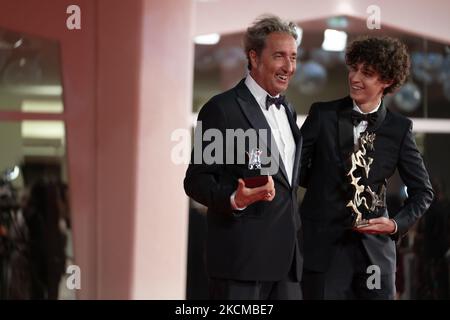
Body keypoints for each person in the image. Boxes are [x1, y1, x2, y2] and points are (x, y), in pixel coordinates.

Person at [299, 36, 434, 300]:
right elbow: (296, 173)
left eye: (367, 73)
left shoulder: (399, 128)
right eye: (354, 68)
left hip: (376, 254)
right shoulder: (322, 115)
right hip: (324, 251)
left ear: (387, 81)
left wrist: (395, 225)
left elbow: (423, 192)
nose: (355, 77)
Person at [184, 15, 303, 300]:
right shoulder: (221, 109)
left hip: (288, 267)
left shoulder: (288, 111)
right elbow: (196, 180)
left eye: (293, 57)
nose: (289, 67)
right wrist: (234, 200)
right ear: (254, 57)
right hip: (240, 266)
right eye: (279, 56)